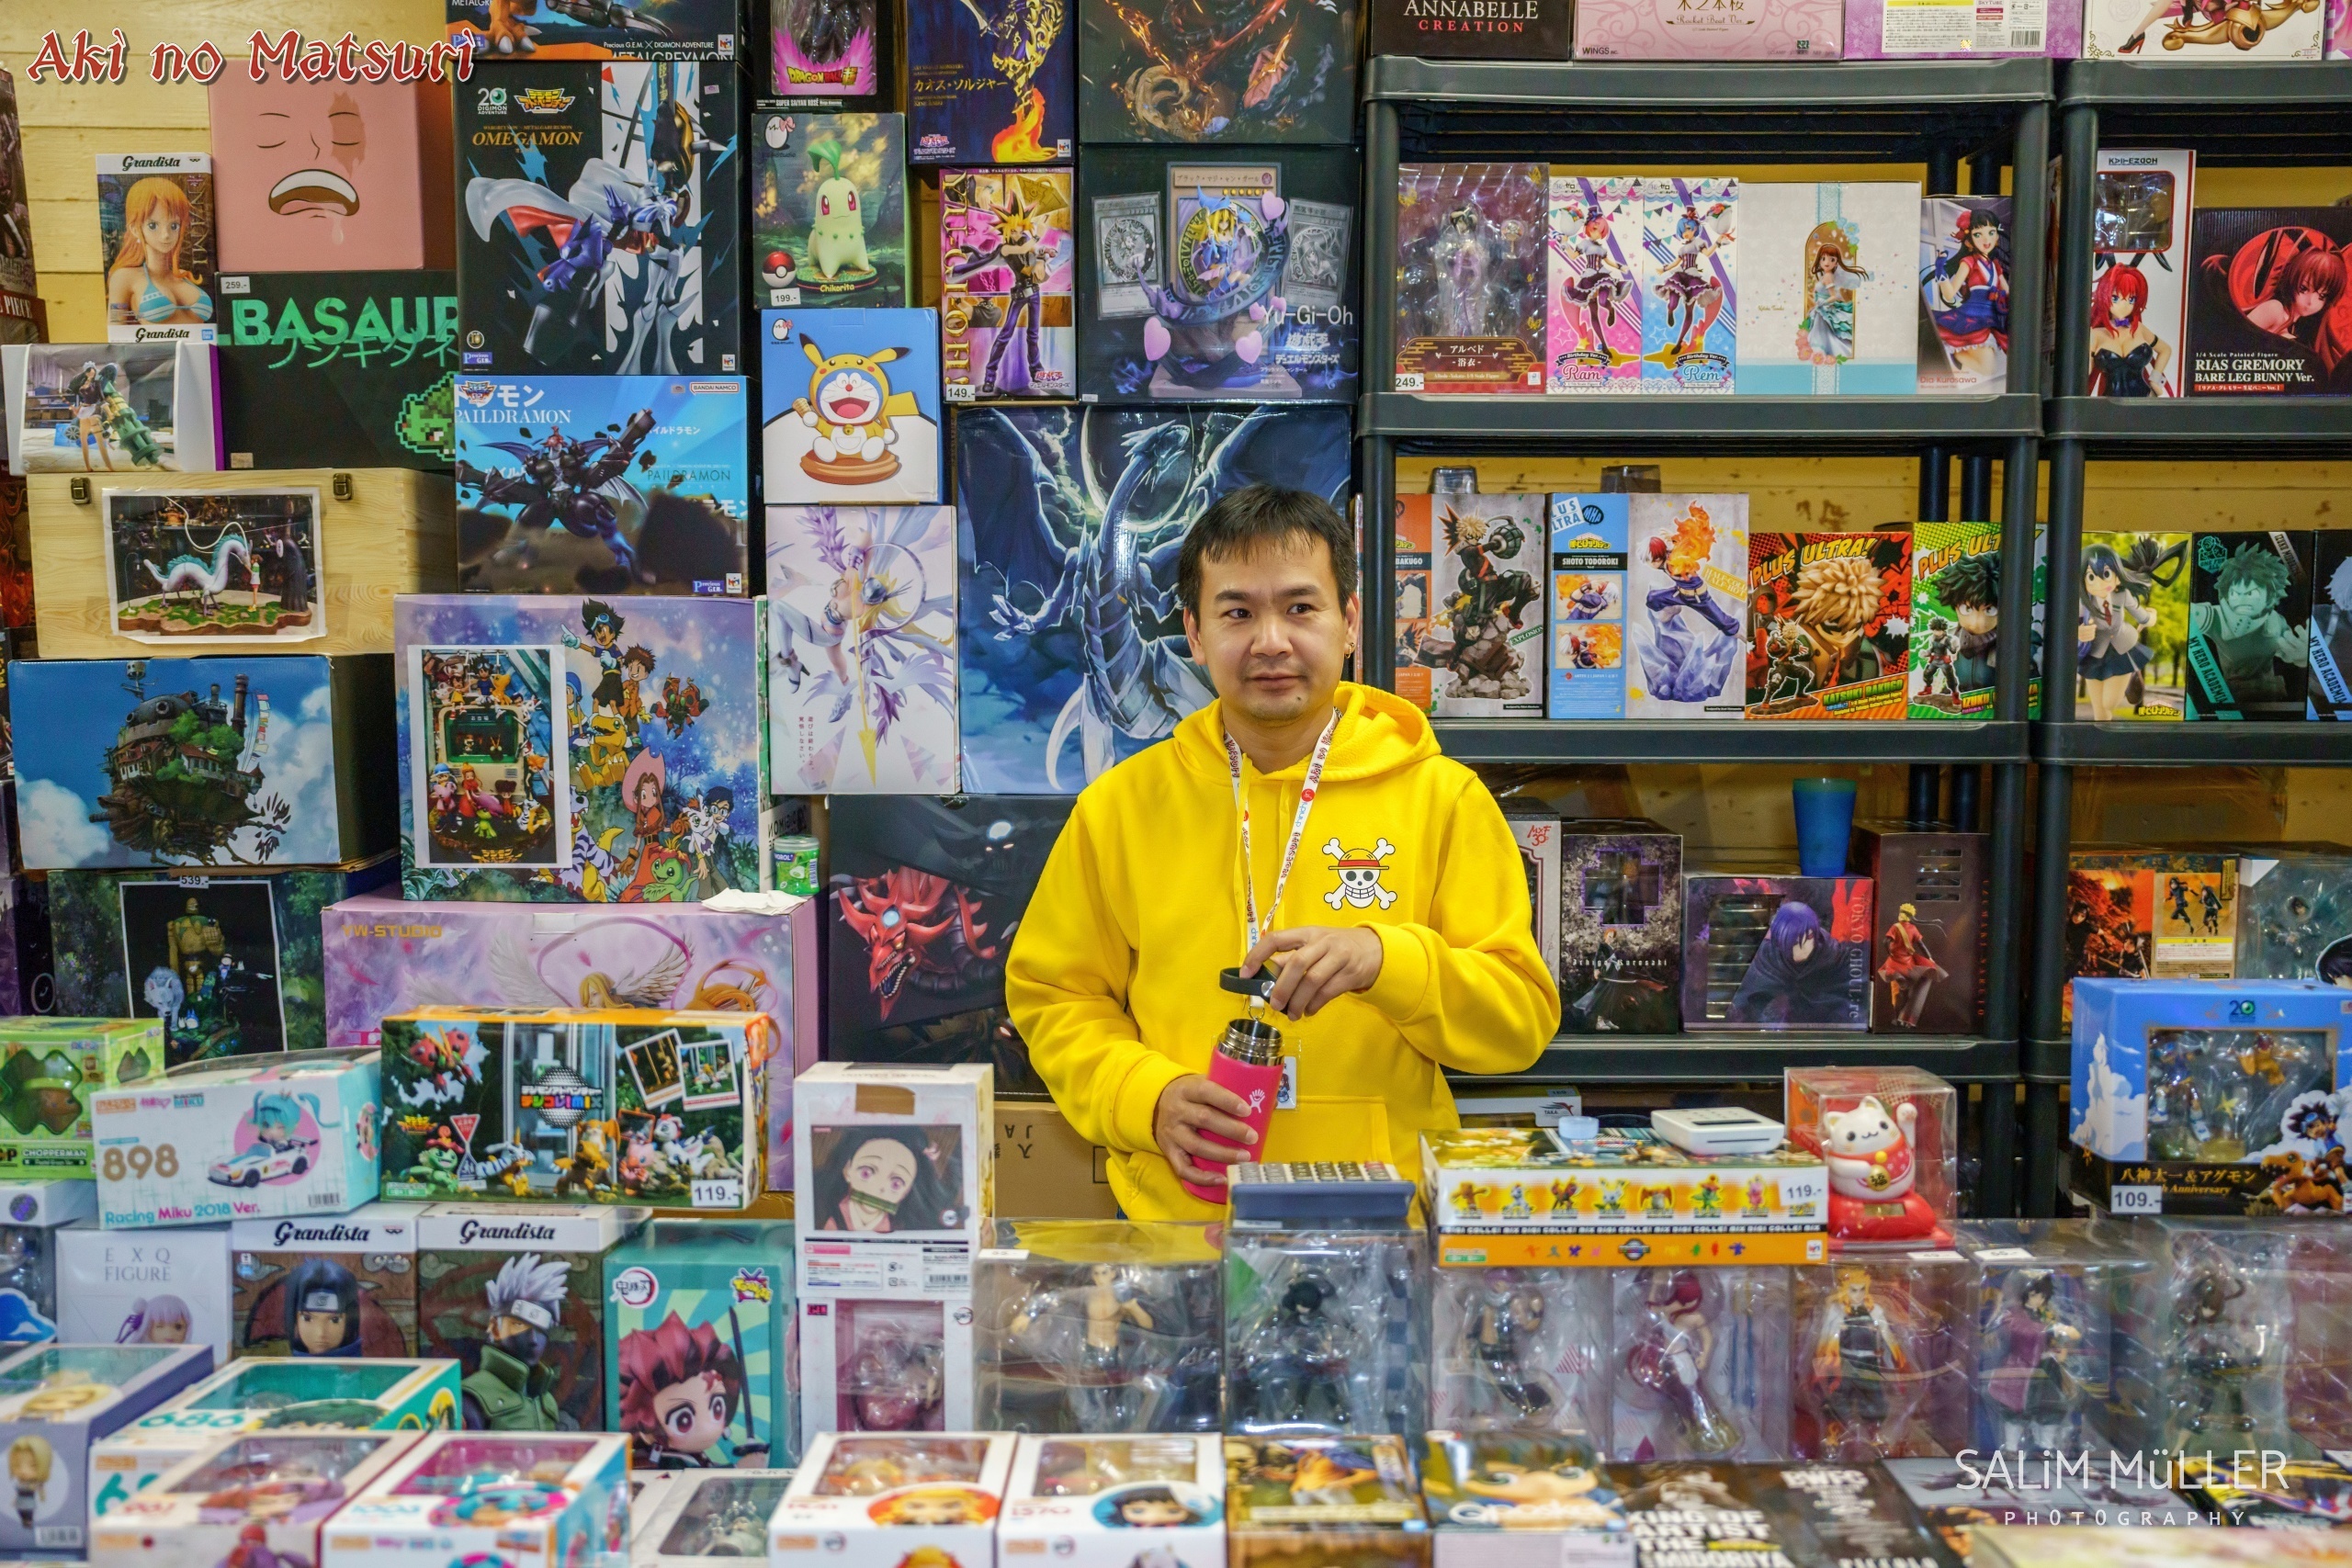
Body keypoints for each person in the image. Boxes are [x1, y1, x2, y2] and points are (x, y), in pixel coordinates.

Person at [1005, 485, 1559, 1221]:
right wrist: (1146, 1096)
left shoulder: (1442, 798)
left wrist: (1388, 960)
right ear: (1195, 633)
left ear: (1349, 622)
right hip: (1182, 1226)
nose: (1271, 641)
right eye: (1237, 613)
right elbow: (1054, 997)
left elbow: (1519, 1021)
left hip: (1379, 1223)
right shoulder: (1120, 807)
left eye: (1300, 607)